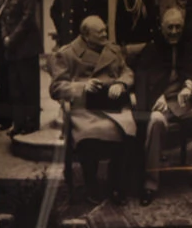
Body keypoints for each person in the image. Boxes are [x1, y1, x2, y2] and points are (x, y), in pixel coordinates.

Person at [46, 15, 135, 203]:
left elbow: (127, 71)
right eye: (100, 32)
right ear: (86, 35)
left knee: (129, 129)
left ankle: (116, 184)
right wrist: (82, 86)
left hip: (112, 105)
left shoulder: (112, 50)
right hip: (84, 108)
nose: (105, 34)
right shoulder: (67, 54)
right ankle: (92, 186)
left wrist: (121, 84)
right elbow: (56, 88)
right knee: (91, 134)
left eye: (105, 30)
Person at [131, 7, 192, 198]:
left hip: (185, 104)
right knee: (155, 121)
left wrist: (189, 85)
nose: (174, 32)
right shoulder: (152, 49)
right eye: (170, 27)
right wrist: (156, 96)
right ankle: (151, 182)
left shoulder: (189, 45)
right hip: (161, 105)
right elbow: (141, 77)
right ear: (162, 27)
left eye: (178, 27)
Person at [0, 0, 42, 135]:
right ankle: (19, 122)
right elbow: (6, 16)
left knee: (28, 86)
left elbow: (28, 17)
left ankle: (31, 122)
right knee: (15, 87)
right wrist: (5, 36)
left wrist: (11, 38)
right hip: (13, 47)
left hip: (26, 46)